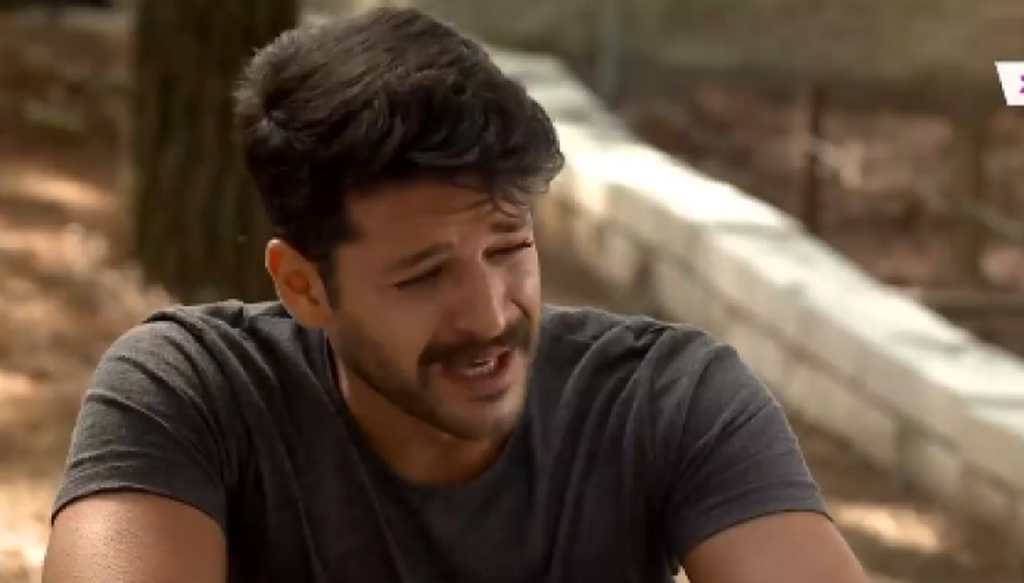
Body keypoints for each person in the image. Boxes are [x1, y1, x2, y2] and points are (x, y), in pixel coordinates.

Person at [42, 7, 869, 583]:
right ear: (304, 285)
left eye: (509, 249)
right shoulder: (192, 392)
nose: (489, 314)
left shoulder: (669, 399)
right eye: (423, 275)